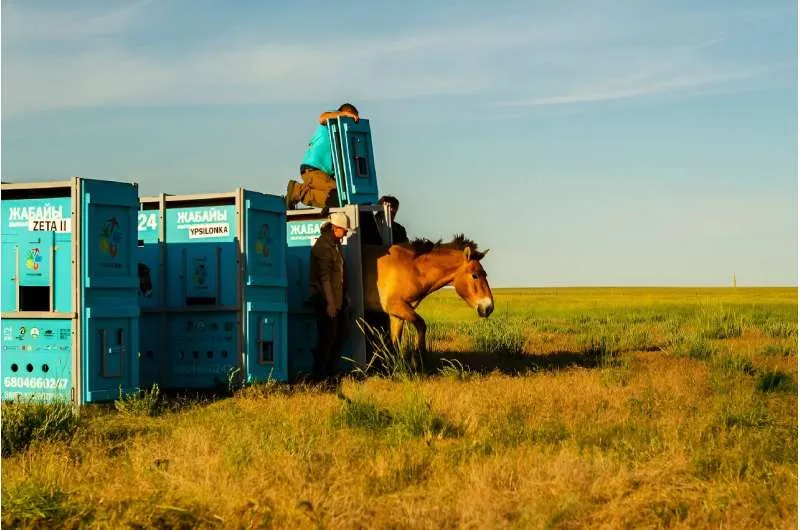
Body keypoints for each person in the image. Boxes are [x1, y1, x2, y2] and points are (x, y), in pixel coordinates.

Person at [309, 212, 356, 383]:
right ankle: (319, 375)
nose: (345, 234)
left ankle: (330, 372)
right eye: (344, 230)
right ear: (335, 228)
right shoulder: (322, 247)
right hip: (323, 299)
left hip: (336, 298)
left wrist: (344, 297)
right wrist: (330, 303)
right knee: (328, 337)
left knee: (340, 335)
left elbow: (339, 275)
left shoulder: (336, 245)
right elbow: (324, 278)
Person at [285, 103, 360, 210]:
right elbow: (322, 117)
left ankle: (303, 192)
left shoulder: (339, 136)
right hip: (313, 168)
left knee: (342, 196)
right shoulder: (329, 124)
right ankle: (298, 191)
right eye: (353, 117)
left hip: (321, 171)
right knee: (337, 196)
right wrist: (344, 115)